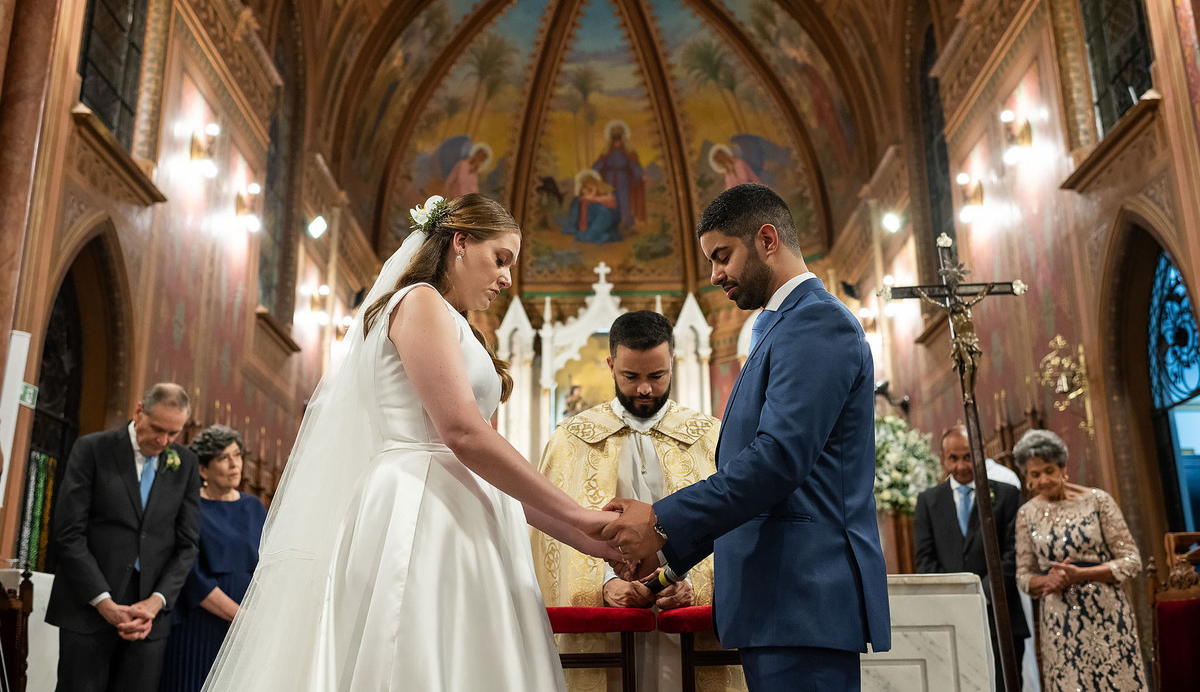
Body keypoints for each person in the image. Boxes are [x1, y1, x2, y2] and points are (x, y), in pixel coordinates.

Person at [202, 193, 621, 691]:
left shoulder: (455, 323)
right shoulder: (419, 301)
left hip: (464, 506)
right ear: (460, 243)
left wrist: (595, 542)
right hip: (422, 507)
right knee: (414, 656)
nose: (507, 278)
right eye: (500, 259)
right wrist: (580, 514)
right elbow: (463, 433)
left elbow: (494, 467)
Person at [600, 184, 891, 692]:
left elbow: (776, 461)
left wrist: (661, 522)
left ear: (767, 239)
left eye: (722, 256)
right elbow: (752, 482)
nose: (715, 275)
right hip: (779, 603)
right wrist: (666, 568)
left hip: (803, 596)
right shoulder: (777, 327)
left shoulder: (816, 321)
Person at [533, 310, 744, 692]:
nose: (644, 388)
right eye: (631, 376)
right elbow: (552, 535)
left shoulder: (709, 437)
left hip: (686, 622)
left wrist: (694, 581)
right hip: (610, 628)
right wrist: (604, 583)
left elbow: (734, 523)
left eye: (656, 375)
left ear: (673, 364)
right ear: (611, 365)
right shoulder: (571, 440)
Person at [47, 383, 201, 692]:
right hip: (88, 608)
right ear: (138, 411)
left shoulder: (184, 463)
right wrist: (103, 601)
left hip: (148, 618)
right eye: (158, 429)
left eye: (174, 434)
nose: (163, 441)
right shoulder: (93, 449)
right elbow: (68, 532)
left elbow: (187, 544)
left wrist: (156, 603)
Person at [1012, 429, 1148, 692]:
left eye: (1049, 470)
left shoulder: (1098, 501)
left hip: (1109, 614)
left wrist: (1082, 574)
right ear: (1026, 476)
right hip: (1060, 621)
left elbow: (1132, 561)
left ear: (1063, 467)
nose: (1043, 480)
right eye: (1035, 474)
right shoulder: (1025, 515)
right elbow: (1023, 577)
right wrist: (1047, 580)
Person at [913, 427, 1029, 691]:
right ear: (942, 457)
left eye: (968, 457)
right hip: (949, 619)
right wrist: (955, 597)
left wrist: (981, 594)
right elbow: (925, 559)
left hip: (1001, 616)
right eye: (953, 458)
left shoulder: (1007, 494)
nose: (962, 466)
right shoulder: (928, 502)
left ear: (981, 453)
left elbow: (1015, 553)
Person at [158, 426, 266, 692]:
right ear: (203, 469)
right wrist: (240, 617)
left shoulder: (254, 507)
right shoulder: (190, 507)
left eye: (237, 455)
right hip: (199, 627)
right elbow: (191, 577)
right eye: (223, 458)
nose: (234, 464)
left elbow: (270, 565)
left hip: (246, 631)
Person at [593, 121, 645, 230]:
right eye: (614, 138)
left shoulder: (628, 151)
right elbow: (598, 165)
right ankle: (609, 224)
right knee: (610, 200)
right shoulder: (607, 152)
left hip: (623, 180)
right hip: (609, 179)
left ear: (622, 138)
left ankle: (627, 225)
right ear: (611, 139)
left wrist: (639, 175)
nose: (617, 141)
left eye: (619, 138)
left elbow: (634, 164)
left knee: (624, 201)